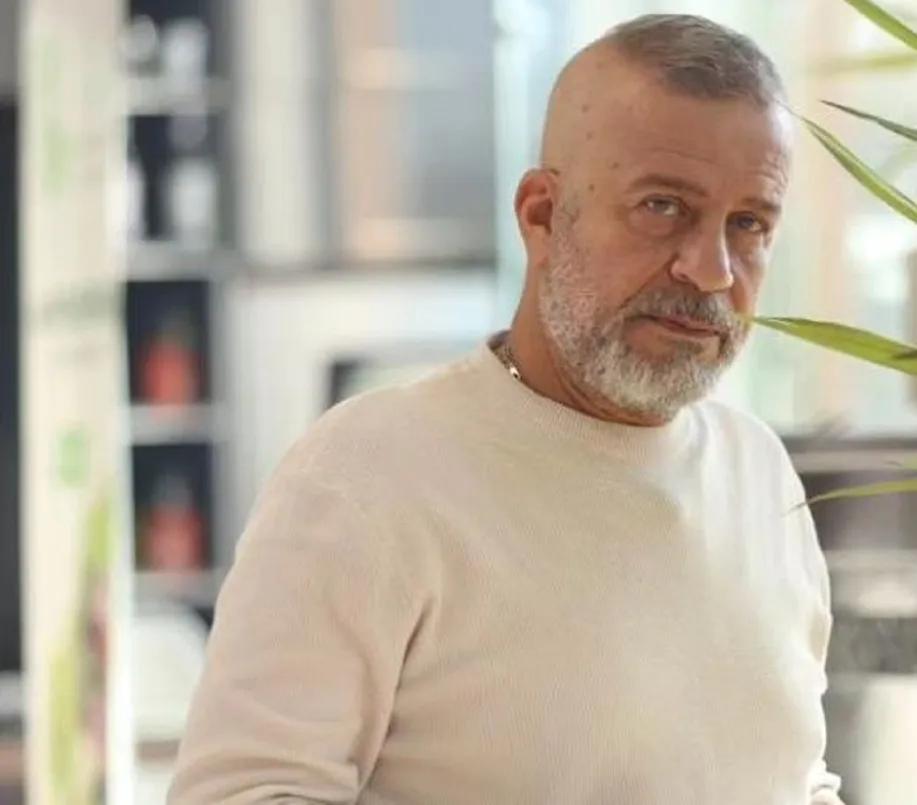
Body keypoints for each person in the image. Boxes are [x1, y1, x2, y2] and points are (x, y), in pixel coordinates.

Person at [168, 13, 843, 805]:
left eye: (749, 223)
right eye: (663, 207)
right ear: (541, 215)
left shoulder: (761, 472)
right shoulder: (367, 474)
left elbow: (795, 780)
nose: (712, 270)